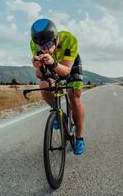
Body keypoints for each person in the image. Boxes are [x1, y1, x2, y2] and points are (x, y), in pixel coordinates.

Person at [30, 18, 85, 155]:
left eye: (48, 44)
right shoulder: (35, 44)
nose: (45, 49)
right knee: (44, 86)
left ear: (55, 38)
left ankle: (79, 137)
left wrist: (53, 63)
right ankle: (59, 115)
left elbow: (66, 71)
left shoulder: (69, 39)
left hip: (70, 65)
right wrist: (37, 67)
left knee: (74, 97)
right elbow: (41, 76)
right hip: (51, 64)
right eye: (40, 46)